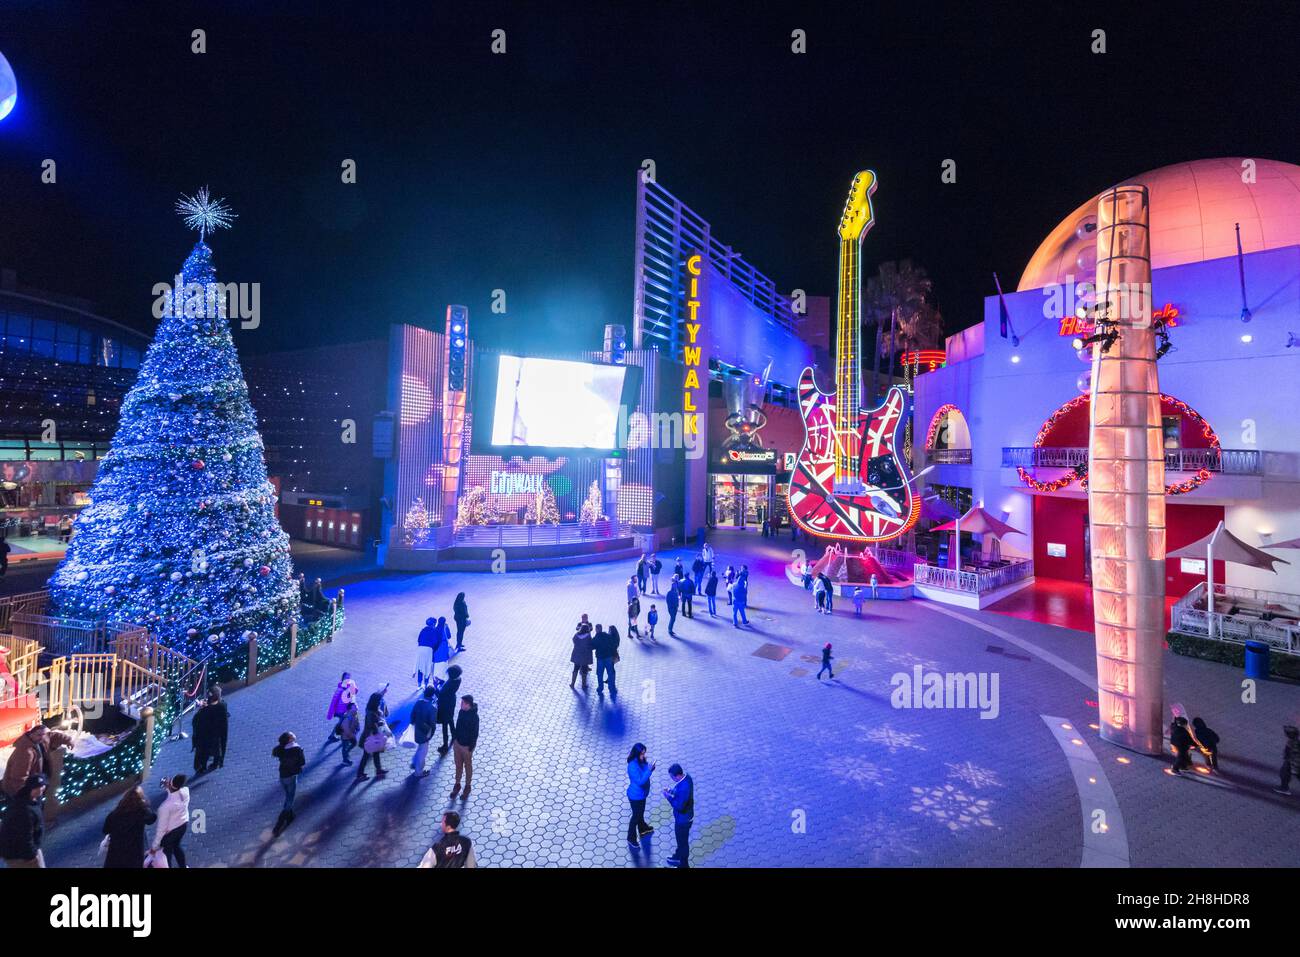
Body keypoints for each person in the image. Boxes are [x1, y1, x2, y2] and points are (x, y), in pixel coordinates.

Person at [2, 724, 73, 800]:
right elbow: (19, 777)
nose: (42, 737)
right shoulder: (25, 752)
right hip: (27, 790)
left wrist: (68, 740)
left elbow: (52, 735)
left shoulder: (42, 739)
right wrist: (28, 794)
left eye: (43, 734)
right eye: (39, 735)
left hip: (38, 783)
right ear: (31, 734)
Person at [101, 785, 156, 869]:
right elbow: (152, 819)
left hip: (116, 852)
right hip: (135, 852)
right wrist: (144, 804)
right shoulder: (141, 812)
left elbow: (106, 830)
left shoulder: (114, 813)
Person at [1, 774, 47, 868]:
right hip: (19, 855)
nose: (41, 789)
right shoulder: (24, 810)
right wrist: (32, 856)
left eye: (42, 785)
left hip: (28, 849)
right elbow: (25, 835)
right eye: (37, 787)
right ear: (30, 788)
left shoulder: (32, 800)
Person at [153, 773, 190, 868]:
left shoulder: (164, 807)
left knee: (166, 855)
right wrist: (168, 787)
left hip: (170, 833)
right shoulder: (185, 791)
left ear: (171, 784)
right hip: (183, 826)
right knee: (177, 846)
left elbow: (161, 828)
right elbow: (175, 793)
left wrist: (155, 845)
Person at [271, 732, 306, 835]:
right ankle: (279, 825)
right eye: (292, 735)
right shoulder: (296, 749)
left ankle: (290, 816)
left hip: (282, 776)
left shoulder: (281, 748)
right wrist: (301, 752)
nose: (294, 734)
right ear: (290, 739)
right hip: (291, 776)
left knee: (288, 794)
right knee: (290, 799)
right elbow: (302, 762)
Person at [663, 764, 694, 869]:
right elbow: (681, 794)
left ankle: (684, 865)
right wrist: (671, 791)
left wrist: (668, 797)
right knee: (681, 841)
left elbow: (679, 806)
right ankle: (677, 857)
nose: (671, 779)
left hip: (683, 820)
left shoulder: (684, 788)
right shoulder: (686, 778)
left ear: (677, 776)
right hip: (684, 818)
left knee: (683, 842)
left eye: (671, 777)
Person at [191, 687, 228, 774]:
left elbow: (196, 721)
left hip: (206, 734)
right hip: (217, 733)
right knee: (217, 749)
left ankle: (201, 767)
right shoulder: (222, 705)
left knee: (203, 752)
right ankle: (216, 763)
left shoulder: (206, 709)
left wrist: (201, 708)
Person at [626, 743, 655, 849]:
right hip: (635, 796)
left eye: (644, 753)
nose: (644, 755)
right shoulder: (632, 766)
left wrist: (648, 766)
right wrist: (649, 770)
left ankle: (643, 829)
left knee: (640, 813)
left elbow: (644, 772)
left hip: (641, 795)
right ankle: (631, 838)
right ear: (637, 753)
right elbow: (640, 781)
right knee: (636, 816)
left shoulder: (640, 761)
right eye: (642, 754)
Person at [356, 690, 390, 782]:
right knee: (366, 756)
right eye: (379, 701)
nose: (380, 702)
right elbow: (371, 725)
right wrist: (379, 723)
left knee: (376, 753)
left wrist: (383, 691)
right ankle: (360, 774)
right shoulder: (371, 713)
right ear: (375, 702)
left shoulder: (370, 709)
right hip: (370, 738)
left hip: (372, 737)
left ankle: (378, 770)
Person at [450, 695, 479, 800]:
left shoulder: (474, 717)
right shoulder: (461, 712)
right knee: (458, 765)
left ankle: (467, 786)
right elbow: (458, 726)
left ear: (468, 704)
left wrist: (471, 747)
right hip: (458, 744)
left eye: (462, 703)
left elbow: (475, 733)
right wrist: (454, 739)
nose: (460, 704)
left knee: (468, 766)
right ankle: (457, 784)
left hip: (467, 747)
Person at [410, 685, 438, 776]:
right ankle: (418, 772)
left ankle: (414, 763)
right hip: (425, 733)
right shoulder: (432, 707)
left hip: (417, 730)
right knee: (423, 751)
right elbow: (433, 723)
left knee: (420, 748)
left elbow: (412, 715)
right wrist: (431, 733)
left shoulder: (418, 702)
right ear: (433, 695)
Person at [436, 665, 463, 755]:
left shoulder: (450, 683)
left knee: (444, 725)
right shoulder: (458, 679)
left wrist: (436, 686)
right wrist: (442, 682)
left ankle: (445, 745)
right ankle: (454, 734)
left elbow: (440, 694)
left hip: (444, 705)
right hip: (451, 702)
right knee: (450, 719)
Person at [326, 672, 359, 740]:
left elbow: (355, 692)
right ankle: (334, 735)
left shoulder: (348, 686)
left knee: (342, 722)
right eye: (346, 677)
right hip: (341, 710)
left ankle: (334, 735)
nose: (348, 679)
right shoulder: (341, 689)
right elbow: (335, 701)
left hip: (345, 709)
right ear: (343, 678)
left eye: (349, 678)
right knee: (341, 722)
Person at [592, 624, 619, 695]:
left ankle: (600, 688)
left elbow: (592, 646)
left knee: (600, 673)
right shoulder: (607, 636)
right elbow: (612, 644)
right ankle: (612, 687)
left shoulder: (597, 637)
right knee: (610, 673)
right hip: (608, 657)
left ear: (597, 629)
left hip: (600, 658)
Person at [1274, 725, 1300, 795]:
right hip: (1293, 762)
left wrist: (1288, 760)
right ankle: (1284, 788)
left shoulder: (1293, 742)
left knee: (1284, 773)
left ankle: (1284, 788)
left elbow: (1289, 753)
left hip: (1293, 762)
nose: (1285, 734)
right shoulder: (1294, 741)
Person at [415, 618, 439, 686]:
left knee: (420, 666)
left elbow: (419, 639)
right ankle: (426, 684)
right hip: (428, 650)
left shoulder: (423, 630)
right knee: (427, 667)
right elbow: (435, 642)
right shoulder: (434, 631)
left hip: (420, 649)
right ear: (434, 624)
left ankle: (419, 684)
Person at [337, 698, 360, 765]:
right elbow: (346, 729)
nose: (356, 708)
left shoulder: (354, 715)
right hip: (346, 736)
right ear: (349, 710)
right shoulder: (347, 718)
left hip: (351, 734)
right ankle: (345, 760)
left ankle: (346, 753)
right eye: (354, 707)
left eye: (356, 706)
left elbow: (356, 723)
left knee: (351, 744)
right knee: (345, 747)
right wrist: (352, 736)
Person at [432, 616, 453, 684]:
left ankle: (436, 678)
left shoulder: (435, 629)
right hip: (444, 647)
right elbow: (449, 636)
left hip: (437, 648)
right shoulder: (445, 627)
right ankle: (442, 678)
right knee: (444, 663)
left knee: (437, 664)